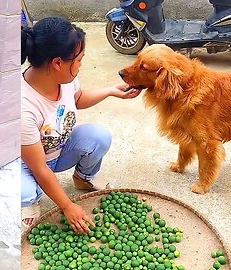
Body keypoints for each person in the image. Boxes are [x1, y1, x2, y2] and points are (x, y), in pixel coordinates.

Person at [21, 17, 142, 234]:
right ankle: (31, 198)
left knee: (98, 136)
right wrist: (67, 206)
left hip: (57, 150)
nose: (80, 65)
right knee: (25, 191)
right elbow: (39, 168)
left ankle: (82, 178)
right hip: (27, 164)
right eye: (79, 59)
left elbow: (78, 99)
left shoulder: (64, 78)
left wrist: (110, 91)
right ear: (58, 63)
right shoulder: (22, 107)